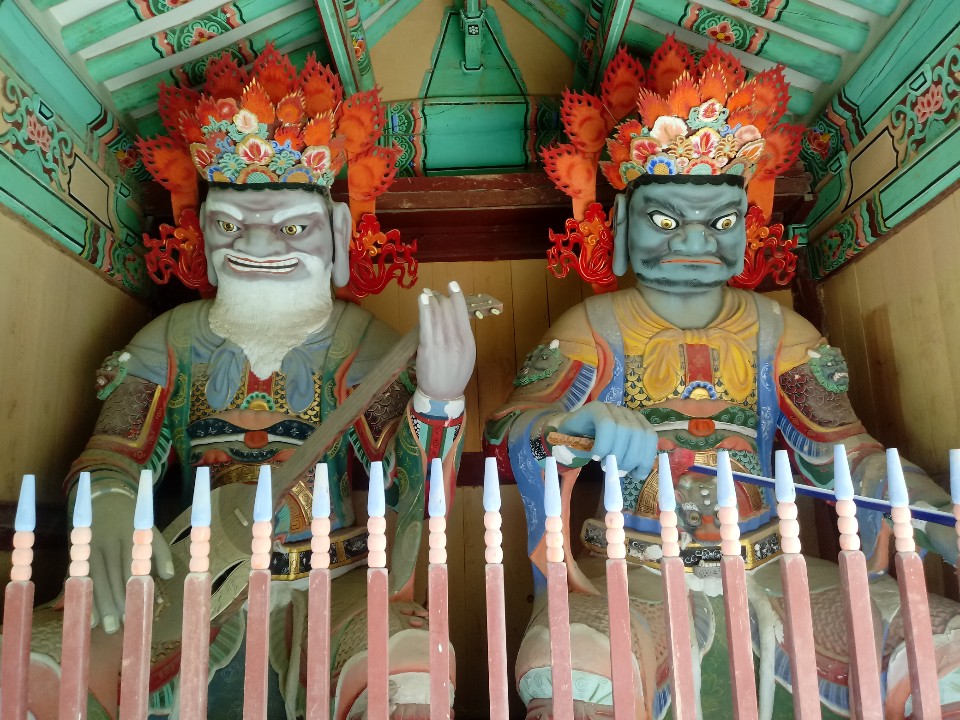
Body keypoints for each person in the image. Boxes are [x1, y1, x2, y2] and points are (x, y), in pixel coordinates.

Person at [485, 39, 960, 720]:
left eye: (722, 220)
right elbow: (509, 431)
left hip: (774, 561)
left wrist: (938, 514)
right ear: (620, 224)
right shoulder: (592, 328)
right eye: (665, 219)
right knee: (569, 666)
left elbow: (848, 455)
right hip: (633, 567)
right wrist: (570, 427)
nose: (694, 240)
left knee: (941, 649)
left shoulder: (783, 332)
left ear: (748, 227)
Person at [10, 46, 476, 720]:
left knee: (405, 671)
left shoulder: (362, 343)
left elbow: (407, 482)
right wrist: (108, 503)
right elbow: (114, 452)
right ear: (201, 235)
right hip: (190, 575)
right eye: (230, 225)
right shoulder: (170, 340)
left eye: (292, 227)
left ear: (339, 233)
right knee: (40, 660)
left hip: (329, 577)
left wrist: (438, 399)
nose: (258, 247)